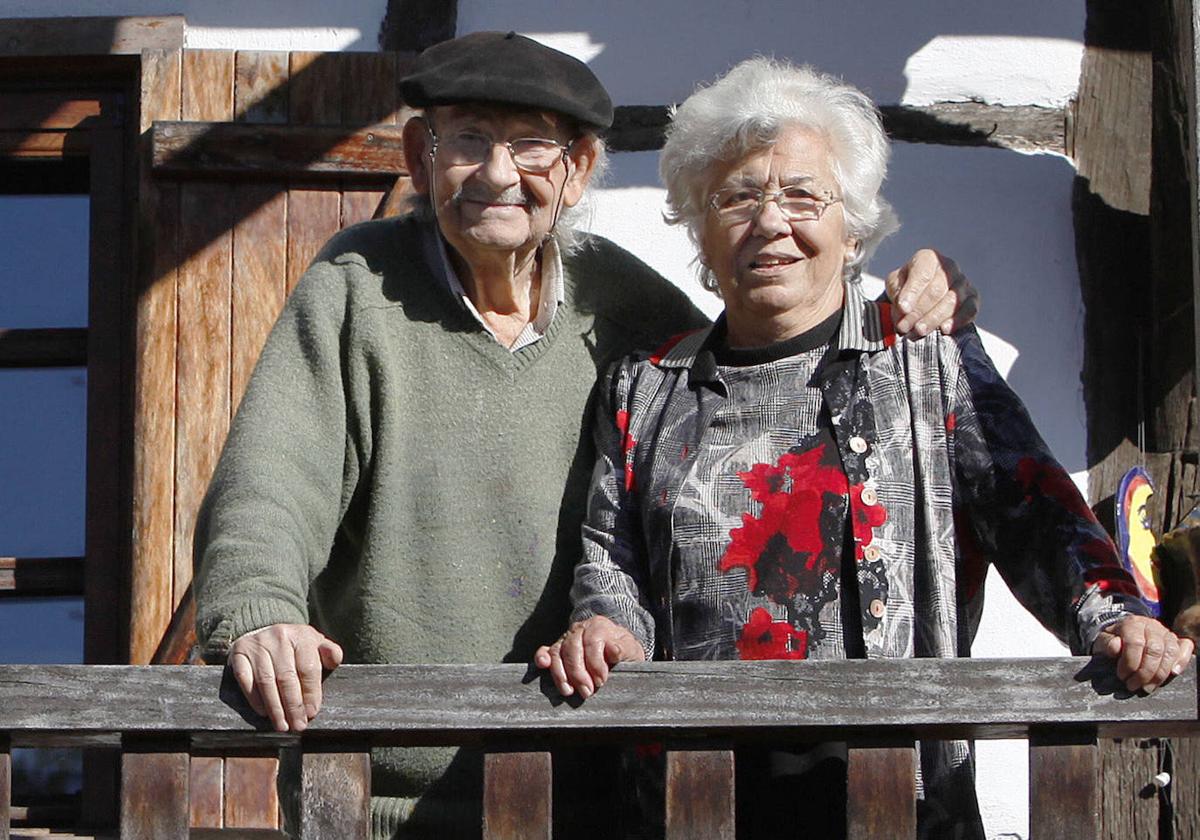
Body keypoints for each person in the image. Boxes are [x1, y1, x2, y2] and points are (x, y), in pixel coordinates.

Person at [194, 32, 979, 838]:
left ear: (580, 170)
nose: (500, 174)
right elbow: (273, 478)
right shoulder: (356, 287)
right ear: (418, 156)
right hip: (385, 801)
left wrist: (916, 295)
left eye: (532, 144)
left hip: (598, 795)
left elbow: (767, 378)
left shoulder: (624, 304)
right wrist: (259, 611)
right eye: (468, 138)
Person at [534, 57, 1195, 838]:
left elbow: (1032, 508)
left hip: (899, 784)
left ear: (852, 228)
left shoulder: (924, 357)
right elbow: (612, 559)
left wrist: (1115, 617)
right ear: (700, 231)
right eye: (737, 197)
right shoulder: (645, 388)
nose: (771, 221)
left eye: (803, 195)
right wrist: (608, 627)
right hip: (697, 795)